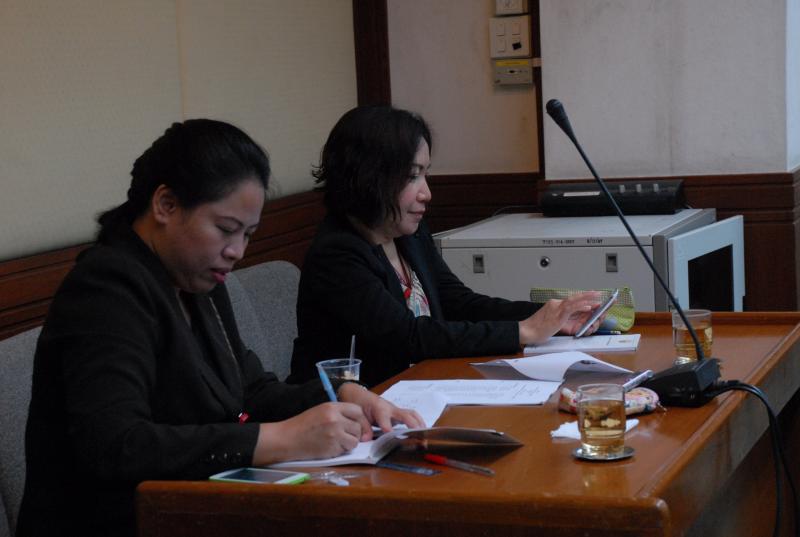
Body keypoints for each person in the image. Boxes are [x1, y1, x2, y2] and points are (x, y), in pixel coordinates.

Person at [17, 119, 423, 537]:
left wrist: (341, 393)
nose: (237, 251)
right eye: (226, 230)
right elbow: (119, 446)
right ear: (165, 205)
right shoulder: (105, 290)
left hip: (199, 510)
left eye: (248, 234)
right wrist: (281, 439)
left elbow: (251, 392)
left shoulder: (195, 278)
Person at [288, 106, 603, 388]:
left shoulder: (407, 234)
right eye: (412, 176)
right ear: (370, 177)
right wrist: (523, 331)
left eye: (425, 174)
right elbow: (408, 336)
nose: (426, 193)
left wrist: (551, 316)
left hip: (419, 391)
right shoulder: (336, 254)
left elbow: (459, 303)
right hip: (351, 410)